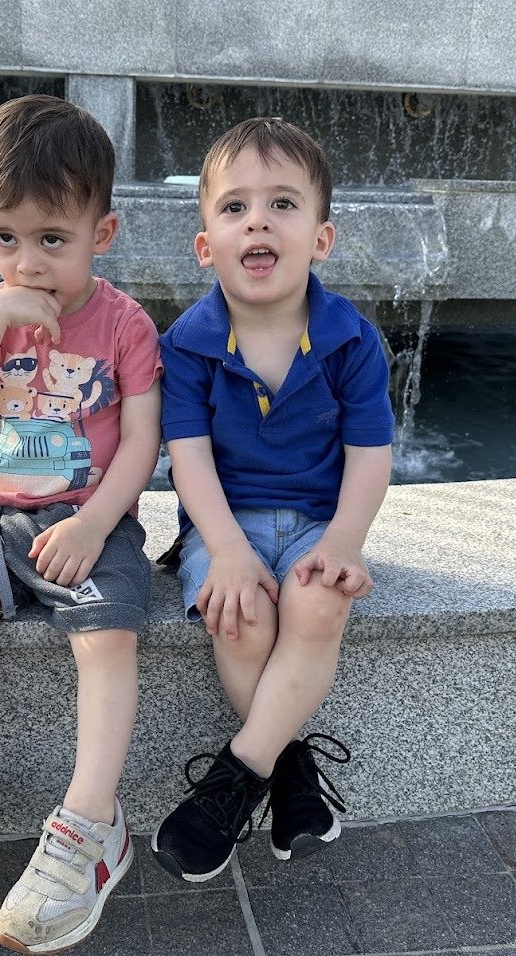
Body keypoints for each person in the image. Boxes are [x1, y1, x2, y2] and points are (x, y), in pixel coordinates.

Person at [0, 94, 161, 952]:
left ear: (103, 231)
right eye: (4, 238)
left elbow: (140, 441)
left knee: (105, 637)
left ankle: (92, 826)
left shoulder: (124, 324)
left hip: (86, 518)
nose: (27, 262)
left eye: (52, 239)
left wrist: (96, 522)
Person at [151, 118, 394, 881]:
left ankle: (233, 781)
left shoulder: (351, 340)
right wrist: (223, 550)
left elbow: (370, 455)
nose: (256, 219)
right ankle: (290, 774)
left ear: (320, 239)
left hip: (320, 522)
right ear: (205, 247)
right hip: (227, 525)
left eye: (282, 204)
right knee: (240, 614)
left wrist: (345, 541)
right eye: (233, 208)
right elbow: (186, 457)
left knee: (319, 604)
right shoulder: (186, 344)